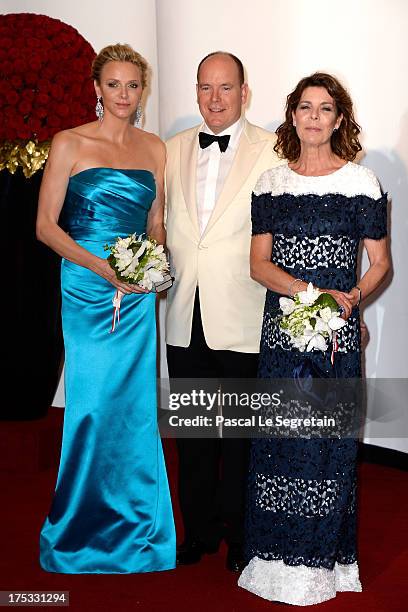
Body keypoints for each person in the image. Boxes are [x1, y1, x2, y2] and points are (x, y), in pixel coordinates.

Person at [238, 73, 390, 604]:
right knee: (280, 440)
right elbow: (259, 264)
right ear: (293, 115)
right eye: (305, 107)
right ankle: (274, 556)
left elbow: (380, 265)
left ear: (339, 119)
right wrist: (309, 293)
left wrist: (345, 299)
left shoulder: (361, 183)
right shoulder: (271, 183)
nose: (314, 117)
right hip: (285, 330)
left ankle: (324, 562)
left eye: (325, 109)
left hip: (335, 337)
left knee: (328, 442)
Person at [37, 44, 175, 574]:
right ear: (97, 88)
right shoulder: (69, 142)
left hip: (136, 293)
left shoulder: (154, 148)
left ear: (144, 90)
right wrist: (101, 269)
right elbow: (45, 226)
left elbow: (155, 222)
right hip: (86, 285)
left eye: (133, 85)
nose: (124, 95)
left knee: (135, 409)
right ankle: (77, 529)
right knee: (91, 406)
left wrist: (154, 267)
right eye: (114, 85)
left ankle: (139, 530)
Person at [165, 51, 282, 572]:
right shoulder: (169, 149)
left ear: (245, 92)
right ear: (195, 92)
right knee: (193, 435)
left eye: (226, 88)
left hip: (242, 313)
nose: (215, 99)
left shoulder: (275, 150)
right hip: (182, 312)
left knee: (238, 437)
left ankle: (239, 533)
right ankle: (198, 531)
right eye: (206, 88)